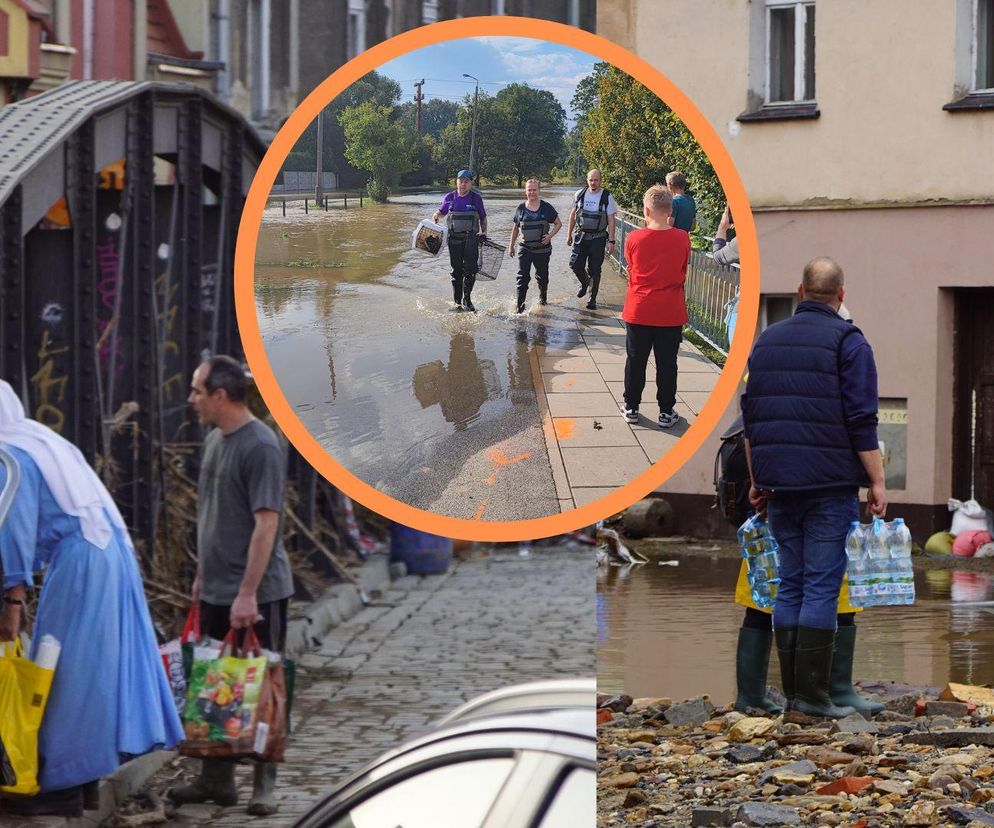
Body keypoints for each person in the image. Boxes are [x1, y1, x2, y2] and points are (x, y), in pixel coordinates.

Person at [0, 381, 182, 818]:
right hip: (109, 554)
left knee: (64, 675)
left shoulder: (9, 453)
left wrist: (12, 600)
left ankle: (60, 786)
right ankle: (81, 784)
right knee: (88, 673)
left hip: (82, 561)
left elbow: (13, 530)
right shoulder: (42, 439)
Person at [742, 257, 887, 719]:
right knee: (823, 587)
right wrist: (878, 481)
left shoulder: (766, 341)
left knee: (791, 585)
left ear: (799, 291)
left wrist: (756, 480)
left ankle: (794, 698)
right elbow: (862, 420)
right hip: (829, 484)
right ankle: (811, 698)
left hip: (778, 484)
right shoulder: (850, 342)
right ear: (841, 295)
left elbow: (750, 423)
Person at [170, 356, 293, 816]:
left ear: (220, 396)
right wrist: (204, 576)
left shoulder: (260, 445)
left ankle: (266, 781)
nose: (191, 400)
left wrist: (247, 593)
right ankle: (216, 780)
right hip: (218, 586)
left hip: (258, 591)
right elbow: (214, 514)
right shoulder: (214, 441)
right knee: (215, 683)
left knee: (265, 685)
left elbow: (266, 525)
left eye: (197, 391)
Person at [620, 185, 690, 429]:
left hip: (639, 308)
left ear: (646, 210)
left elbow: (631, 269)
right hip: (670, 311)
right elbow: (682, 271)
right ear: (670, 210)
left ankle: (631, 407)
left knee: (635, 360)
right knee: (667, 363)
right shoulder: (682, 238)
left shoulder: (633, 238)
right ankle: (666, 411)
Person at [433, 170, 488, 312]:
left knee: (471, 270)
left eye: (466, 181)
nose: (463, 184)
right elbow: (442, 212)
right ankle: (457, 302)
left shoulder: (476, 198)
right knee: (456, 271)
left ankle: (467, 299)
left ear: (471, 183)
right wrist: (437, 215)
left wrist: (484, 232)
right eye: (460, 181)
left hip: (471, 239)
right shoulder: (449, 197)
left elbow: (483, 217)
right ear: (456, 181)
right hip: (454, 241)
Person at [507, 178, 562, 313]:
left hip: (542, 250)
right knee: (522, 278)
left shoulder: (546, 207)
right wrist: (511, 246)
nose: (532, 192)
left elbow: (558, 223)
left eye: (534, 190)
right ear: (525, 191)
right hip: (525, 249)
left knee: (542, 277)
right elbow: (515, 228)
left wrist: (549, 236)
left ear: (539, 190)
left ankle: (543, 299)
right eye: (529, 190)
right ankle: (520, 309)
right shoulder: (520, 208)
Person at [566, 169, 617, 310]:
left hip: (598, 238)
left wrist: (611, 241)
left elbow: (611, 220)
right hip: (580, 237)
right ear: (587, 180)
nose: (593, 183)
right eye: (591, 180)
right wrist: (568, 234)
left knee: (595, 269)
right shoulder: (579, 194)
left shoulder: (607, 197)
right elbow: (572, 215)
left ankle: (592, 299)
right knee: (575, 264)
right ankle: (585, 282)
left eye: (596, 180)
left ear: (600, 180)